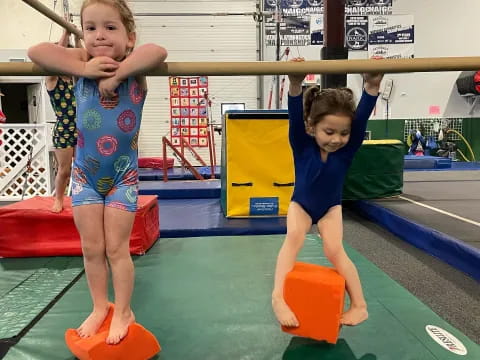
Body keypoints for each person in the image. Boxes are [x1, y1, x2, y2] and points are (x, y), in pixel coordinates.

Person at [28, 0, 168, 345]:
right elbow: (37, 51)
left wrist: (119, 74)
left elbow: (158, 50)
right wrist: (85, 70)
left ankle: (123, 310)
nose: (99, 35)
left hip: (123, 179)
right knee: (91, 249)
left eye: (110, 27)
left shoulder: (135, 66)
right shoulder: (80, 62)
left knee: (117, 250)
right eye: (90, 28)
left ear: (128, 36)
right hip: (84, 177)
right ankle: (99, 306)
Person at [272, 57, 383, 328]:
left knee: (335, 250)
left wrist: (372, 85)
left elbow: (363, 114)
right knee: (294, 238)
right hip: (302, 204)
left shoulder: (348, 149)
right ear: (312, 126)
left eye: (344, 133)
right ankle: (278, 297)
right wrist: (295, 83)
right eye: (329, 131)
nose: (337, 139)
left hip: (331, 207)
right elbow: (294, 114)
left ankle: (360, 305)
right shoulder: (301, 142)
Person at [46, 30, 78, 213]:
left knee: (83, 168)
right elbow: (57, 56)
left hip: (81, 128)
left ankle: (82, 198)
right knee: (64, 170)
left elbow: (85, 59)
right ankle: (58, 199)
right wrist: (66, 32)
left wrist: (78, 38)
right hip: (64, 128)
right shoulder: (52, 79)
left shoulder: (77, 80)